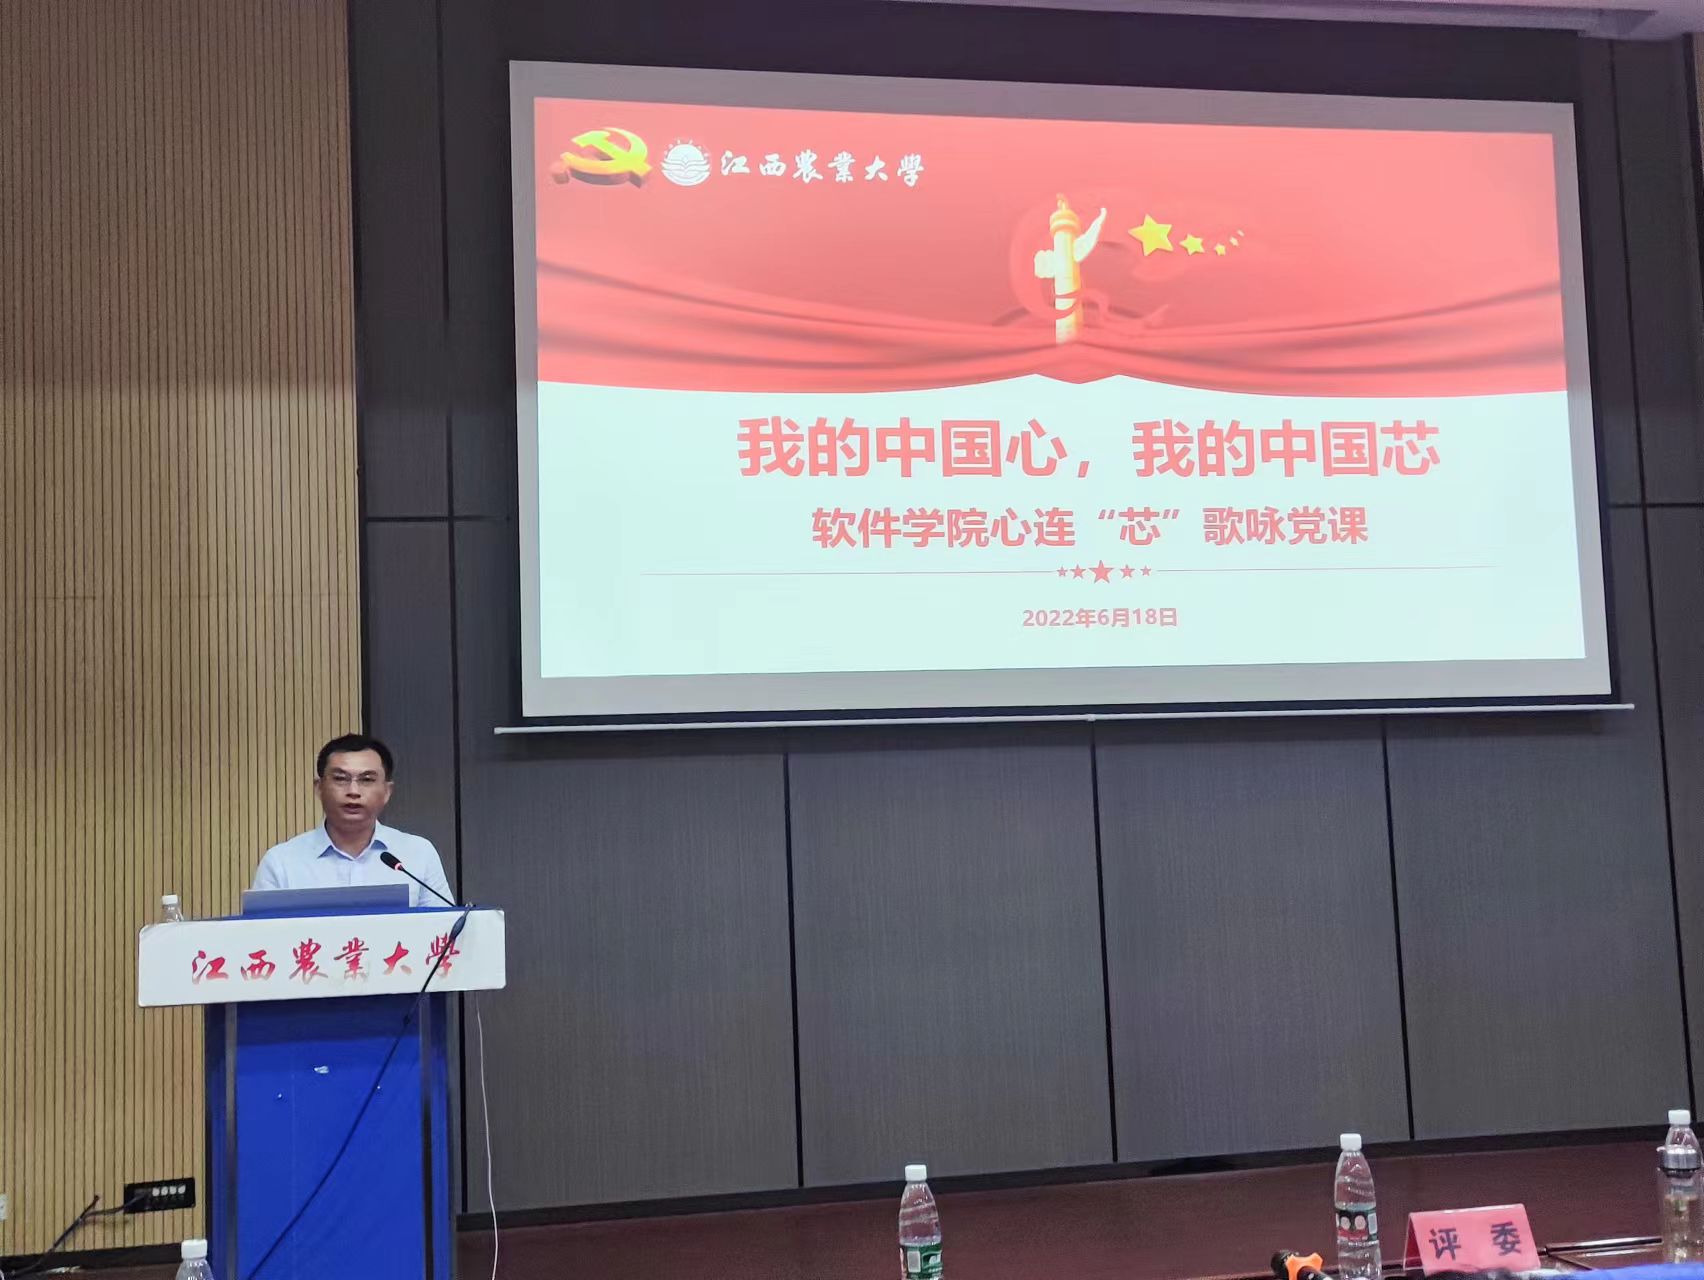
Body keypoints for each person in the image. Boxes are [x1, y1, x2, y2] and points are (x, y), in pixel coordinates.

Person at [252, 733, 452, 908]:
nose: (353, 791)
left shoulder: (418, 854)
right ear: (319, 788)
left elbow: (445, 929)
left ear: (387, 791)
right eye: (340, 779)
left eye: (366, 780)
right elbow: (262, 934)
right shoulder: (281, 862)